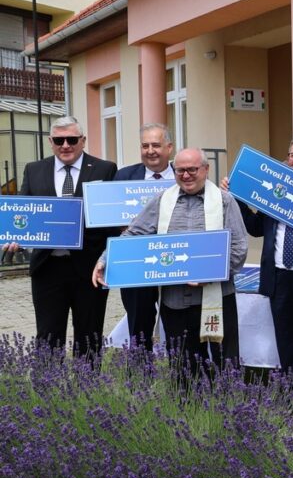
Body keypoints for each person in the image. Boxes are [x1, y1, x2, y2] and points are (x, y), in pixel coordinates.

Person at [92, 147, 248, 377]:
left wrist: (211, 273)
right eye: (180, 170)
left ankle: (226, 400)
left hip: (217, 298)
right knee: (183, 367)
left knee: (225, 364)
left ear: (206, 169)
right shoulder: (163, 200)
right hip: (175, 301)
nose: (186, 175)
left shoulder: (224, 201)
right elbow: (134, 233)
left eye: (192, 169)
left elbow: (239, 247)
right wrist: (106, 259)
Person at [225, 136, 293, 404]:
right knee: (287, 344)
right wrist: (235, 197)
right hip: (279, 277)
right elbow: (255, 228)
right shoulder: (275, 192)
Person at [2, 116, 117, 357]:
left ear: (83, 140)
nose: (65, 145)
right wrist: (15, 238)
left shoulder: (104, 169)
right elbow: (23, 212)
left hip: (89, 269)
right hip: (47, 267)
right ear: (50, 142)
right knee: (48, 336)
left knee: (89, 336)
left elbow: (111, 221)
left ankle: (88, 381)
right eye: (59, 140)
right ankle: (49, 381)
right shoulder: (34, 169)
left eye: (72, 139)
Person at [113, 123, 175, 350]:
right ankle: (139, 369)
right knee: (138, 328)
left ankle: (181, 369)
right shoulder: (123, 176)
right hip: (136, 264)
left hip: (173, 263)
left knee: (177, 326)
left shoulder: (184, 174)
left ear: (169, 147)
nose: (150, 151)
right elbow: (109, 217)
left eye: (156, 145)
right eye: (145, 145)